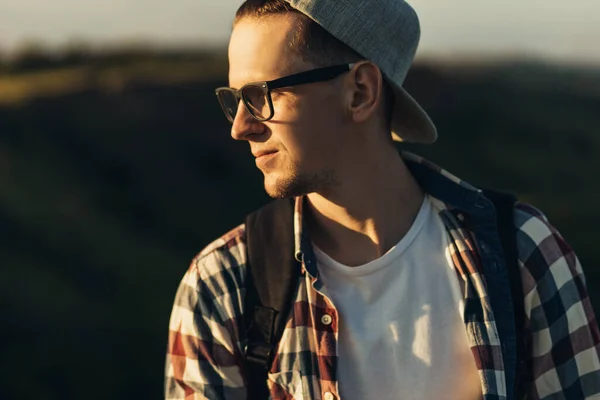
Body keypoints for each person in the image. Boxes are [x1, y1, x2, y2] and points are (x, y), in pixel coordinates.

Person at [165, 0, 600, 399]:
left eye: (261, 95)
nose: (240, 127)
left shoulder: (522, 255)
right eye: (235, 99)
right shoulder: (222, 287)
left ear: (360, 91)